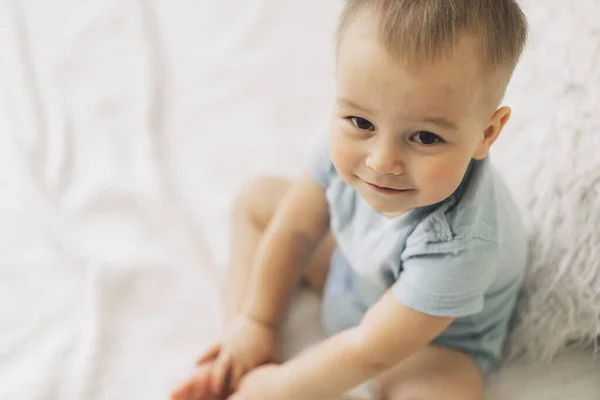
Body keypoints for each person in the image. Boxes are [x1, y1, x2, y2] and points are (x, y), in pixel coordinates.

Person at [172, 0, 529, 399]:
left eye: (425, 137)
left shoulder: (463, 241)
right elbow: (293, 229)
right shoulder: (343, 144)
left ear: (486, 133)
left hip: (430, 342)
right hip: (353, 273)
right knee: (258, 200)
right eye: (361, 122)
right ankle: (236, 351)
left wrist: (277, 389)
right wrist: (259, 320)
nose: (381, 162)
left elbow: (369, 350)